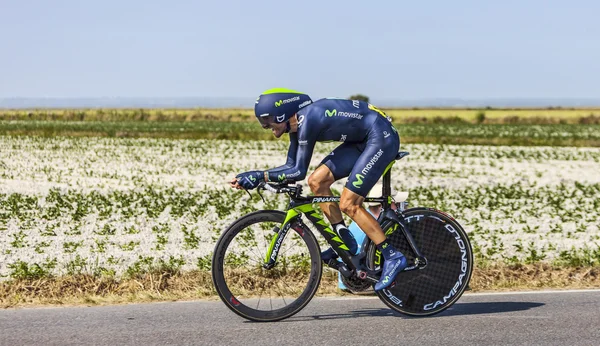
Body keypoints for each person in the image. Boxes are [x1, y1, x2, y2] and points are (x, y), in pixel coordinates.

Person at [230, 88, 407, 291]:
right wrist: (256, 176)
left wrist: (260, 176)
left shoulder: (309, 119)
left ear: (283, 113)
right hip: (362, 140)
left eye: (268, 121)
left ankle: (393, 256)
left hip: (380, 138)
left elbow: (297, 172)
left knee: (349, 204)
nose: (267, 127)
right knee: (317, 182)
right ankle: (344, 245)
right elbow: (290, 167)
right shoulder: (296, 126)